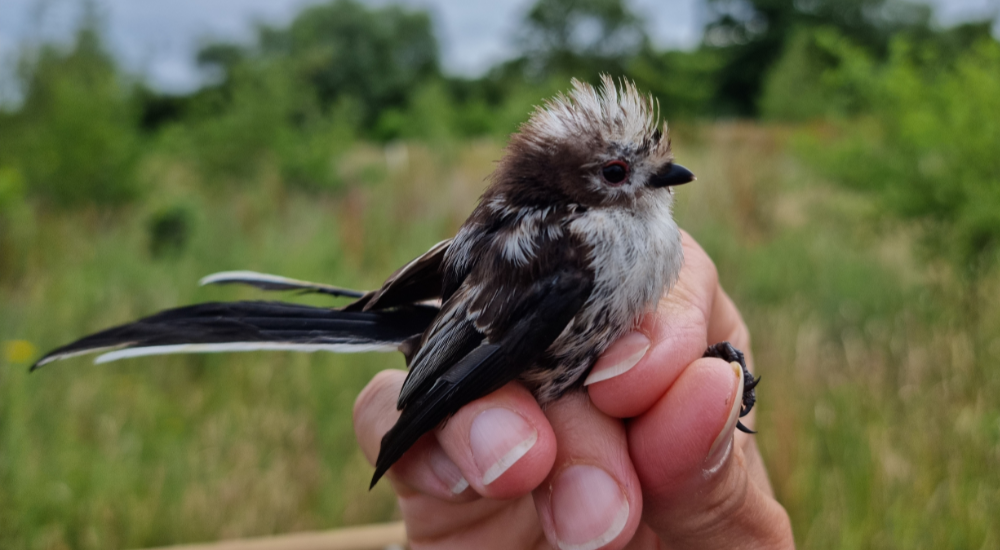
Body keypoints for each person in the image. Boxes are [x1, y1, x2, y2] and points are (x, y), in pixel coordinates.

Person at [353, 231, 795, 549]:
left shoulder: (633, 243)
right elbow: (471, 358)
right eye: (620, 174)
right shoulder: (570, 252)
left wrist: (699, 363)